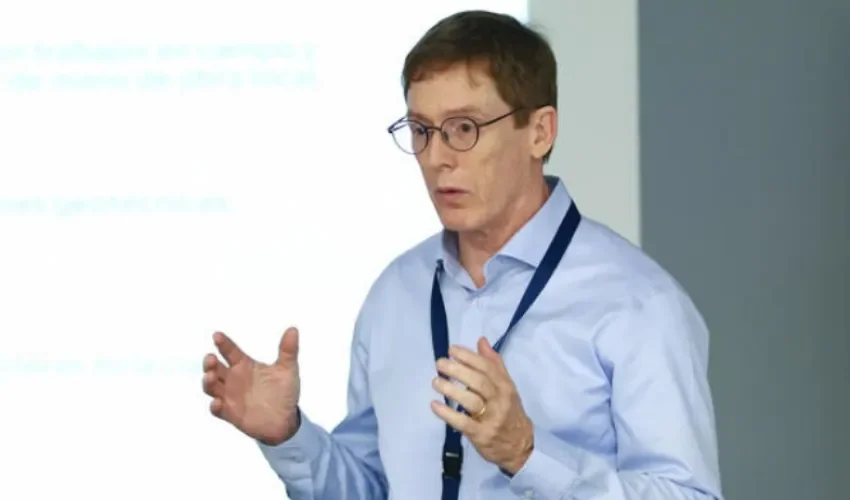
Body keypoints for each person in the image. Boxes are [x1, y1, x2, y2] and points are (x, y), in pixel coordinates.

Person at [201, 10, 724, 500]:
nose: (436, 158)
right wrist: (289, 436)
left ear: (539, 131)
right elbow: (372, 488)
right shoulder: (395, 294)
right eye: (422, 130)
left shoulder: (637, 302)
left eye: (464, 129)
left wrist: (528, 453)